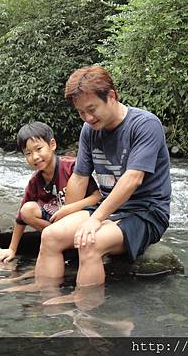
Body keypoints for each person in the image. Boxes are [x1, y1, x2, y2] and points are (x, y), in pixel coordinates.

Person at [33, 65, 171, 291]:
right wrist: (71, 214)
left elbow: (133, 178)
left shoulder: (145, 125)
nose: (87, 118)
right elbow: (79, 177)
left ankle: (87, 316)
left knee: (89, 244)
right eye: (80, 112)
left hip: (146, 213)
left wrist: (95, 220)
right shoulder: (89, 130)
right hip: (107, 209)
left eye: (92, 109)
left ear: (112, 96)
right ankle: (48, 307)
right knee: (50, 236)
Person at [0, 121, 100, 263]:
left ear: (52, 145)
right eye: (28, 153)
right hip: (56, 221)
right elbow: (21, 217)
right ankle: (59, 239)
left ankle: (63, 239)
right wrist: (12, 249)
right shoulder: (35, 181)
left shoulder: (72, 168)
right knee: (27, 210)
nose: (35, 157)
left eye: (39, 149)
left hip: (81, 216)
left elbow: (97, 196)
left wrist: (69, 209)